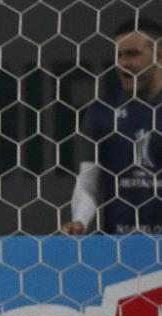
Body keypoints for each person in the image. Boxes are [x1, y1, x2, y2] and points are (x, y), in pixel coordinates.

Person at [62, 17, 162, 235]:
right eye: (118, 55)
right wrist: (79, 221)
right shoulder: (102, 113)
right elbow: (89, 182)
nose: (122, 63)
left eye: (132, 54)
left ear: (159, 55)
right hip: (118, 249)